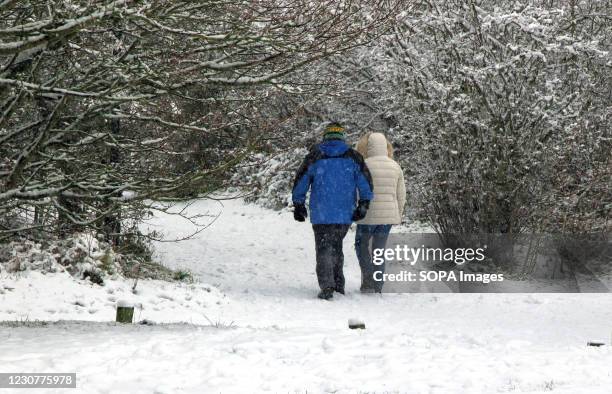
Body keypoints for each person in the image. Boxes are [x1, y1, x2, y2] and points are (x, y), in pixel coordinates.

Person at [292, 122, 374, 300]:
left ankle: (327, 285)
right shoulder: (354, 157)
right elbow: (365, 183)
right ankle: (338, 284)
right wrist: (364, 203)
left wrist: (298, 203)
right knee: (336, 246)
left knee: (323, 248)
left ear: (325, 137)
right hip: (344, 213)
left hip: (321, 213)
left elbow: (301, 181)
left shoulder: (315, 156)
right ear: (342, 137)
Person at [354, 132, 406, 293]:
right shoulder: (395, 166)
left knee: (361, 245)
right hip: (387, 217)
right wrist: (398, 213)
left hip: (367, 215)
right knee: (379, 250)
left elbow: (356, 192)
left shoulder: (362, 165)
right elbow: (401, 195)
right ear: (386, 146)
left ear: (367, 147)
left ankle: (368, 278)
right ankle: (378, 285)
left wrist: (355, 211)